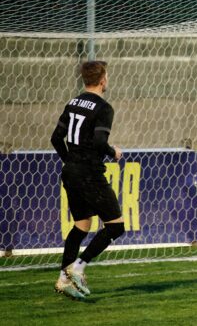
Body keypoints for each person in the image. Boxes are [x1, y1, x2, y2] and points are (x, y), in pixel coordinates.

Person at [50, 60, 125, 300]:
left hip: (71, 171)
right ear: (103, 79)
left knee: (82, 225)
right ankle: (78, 267)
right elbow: (99, 143)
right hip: (89, 173)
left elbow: (55, 138)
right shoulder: (104, 108)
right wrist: (114, 152)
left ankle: (63, 280)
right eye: (108, 76)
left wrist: (70, 161)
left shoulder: (72, 103)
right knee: (116, 225)